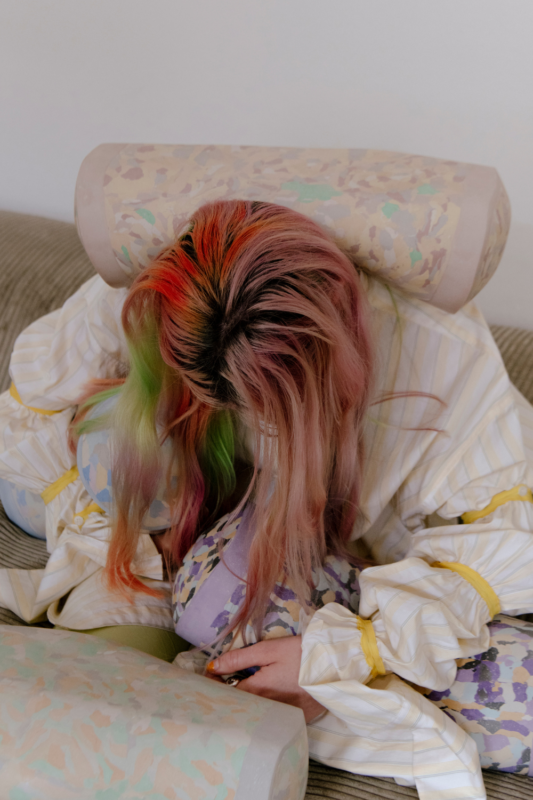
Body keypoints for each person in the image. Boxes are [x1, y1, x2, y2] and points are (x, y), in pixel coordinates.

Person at [1, 199, 533, 796]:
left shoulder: (441, 358)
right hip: (204, 529)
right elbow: (30, 417)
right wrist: (117, 519)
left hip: (354, 563)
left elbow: (510, 541)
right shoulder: (148, 301)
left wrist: (348, 656)